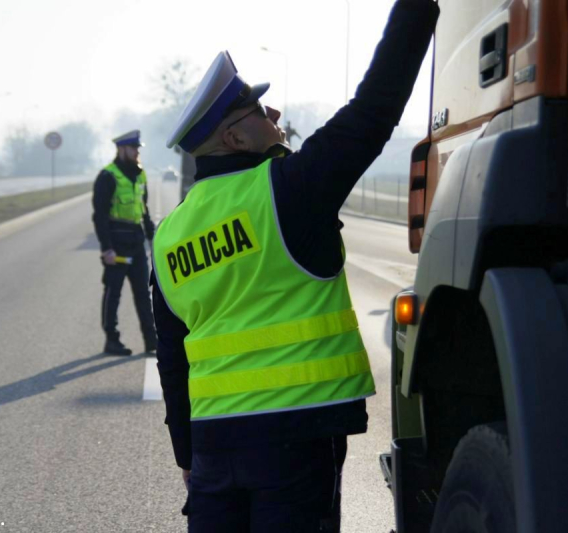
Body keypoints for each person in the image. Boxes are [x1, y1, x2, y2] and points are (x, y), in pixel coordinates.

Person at [151, 1, 439, 531]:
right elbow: (373, 110)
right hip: (294, 443)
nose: (276, 117)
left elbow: (173, 356)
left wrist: (187, 457)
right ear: (234, 139)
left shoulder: (169, 235)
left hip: (214, 449)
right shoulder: (287, 191)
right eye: (260, 113)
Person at [92, 130, 157, 356]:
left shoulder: (140, 175)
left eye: (138, 148)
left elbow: (144, 210)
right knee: (113, 293)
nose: (137, 151)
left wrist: (153, 238)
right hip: (116, 241)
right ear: (121, 149)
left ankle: (151, 340)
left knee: (143, 293)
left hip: (136, 239)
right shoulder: (107, 176)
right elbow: (99, 215)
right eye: (133, 148)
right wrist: (106, 248)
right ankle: (112, 340)